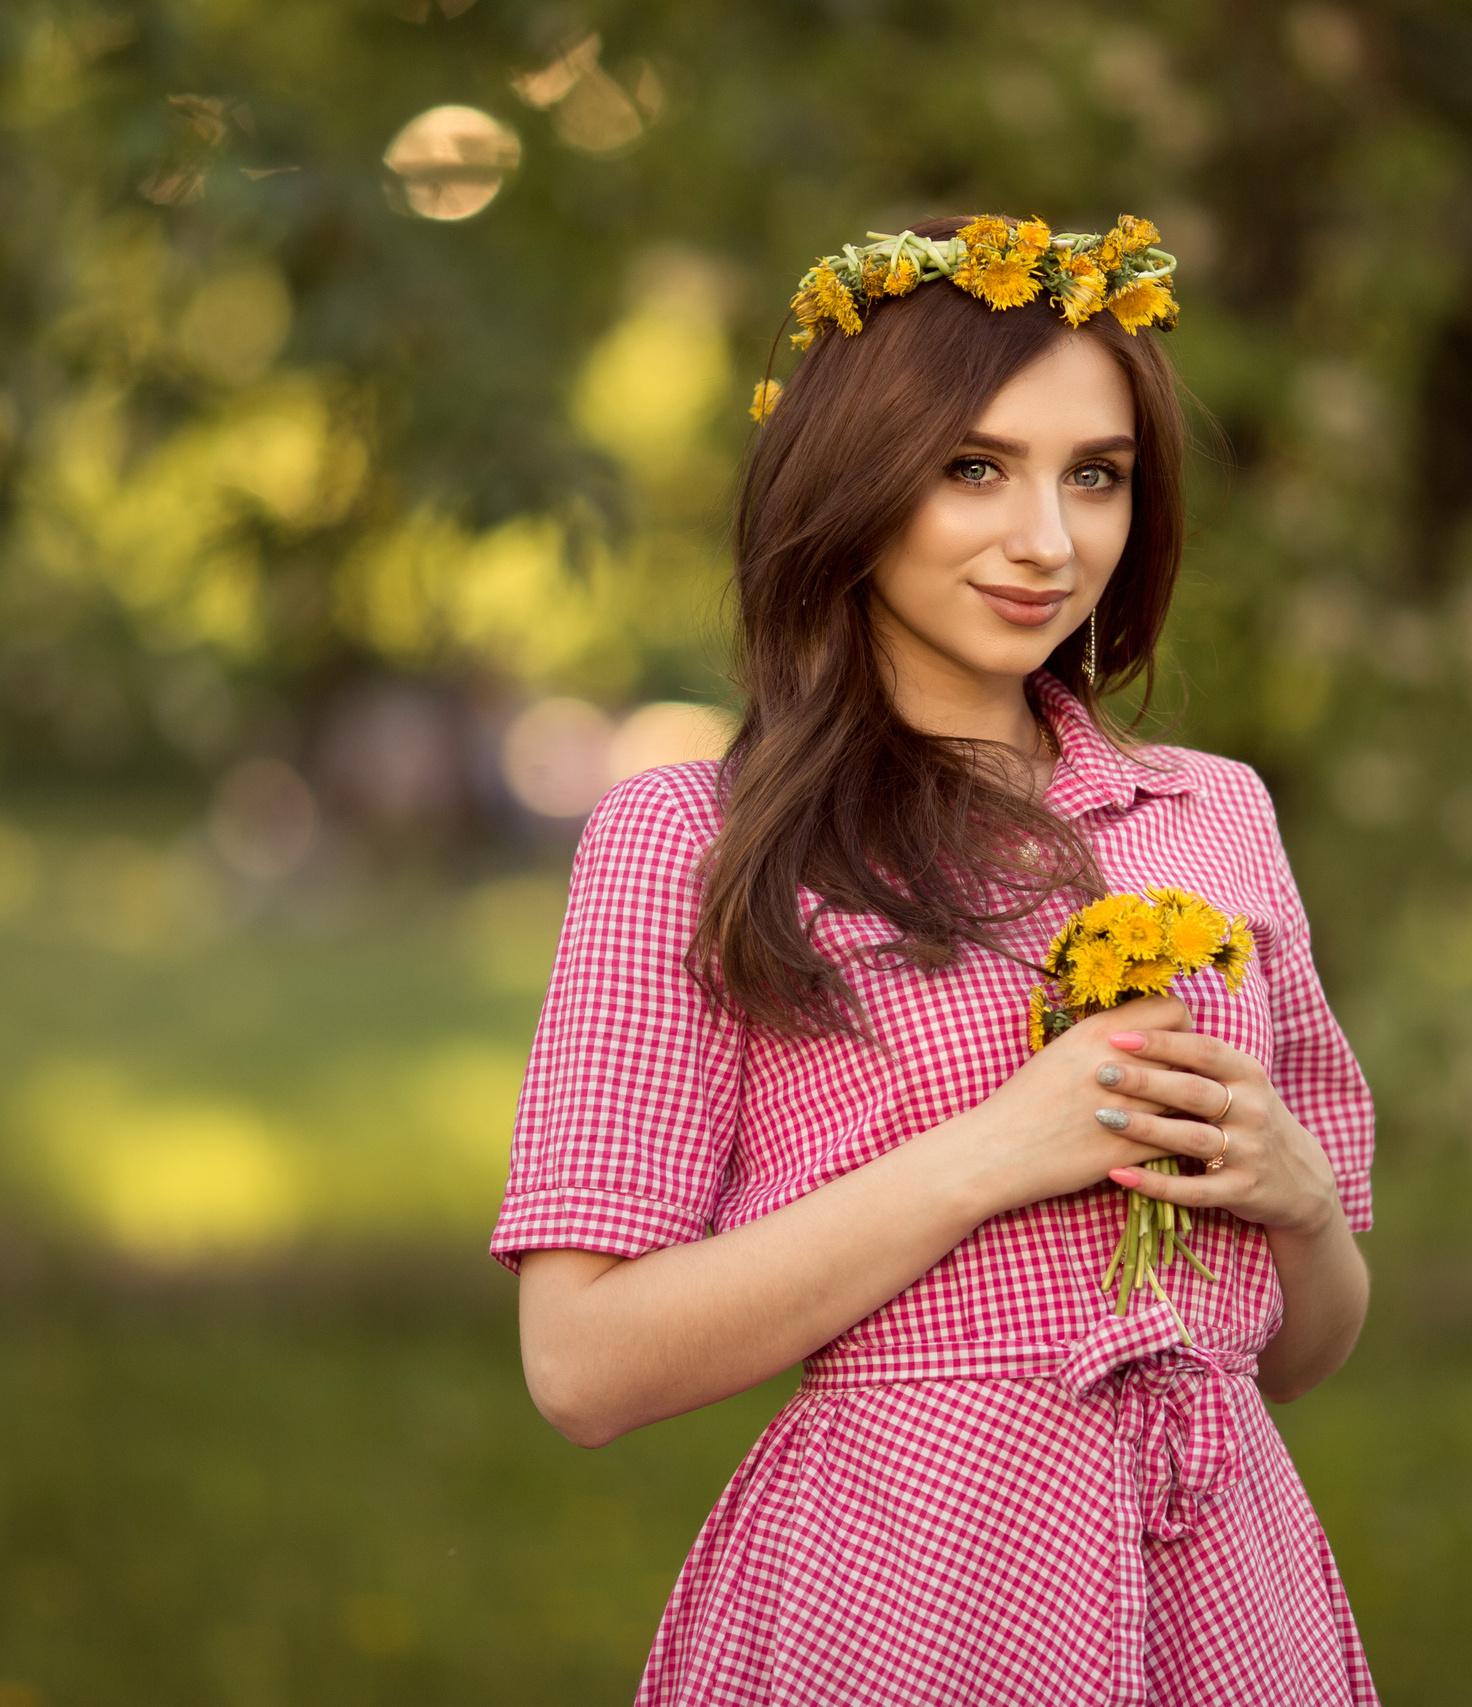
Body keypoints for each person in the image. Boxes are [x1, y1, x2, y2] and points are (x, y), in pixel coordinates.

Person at [492, 214, 1379, 1706]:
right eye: (975, 468)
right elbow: (581, 1368)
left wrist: (1297, 1198)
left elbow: (1299, 1356)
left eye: (1095, 474)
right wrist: (998, 1152)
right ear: (855, 480)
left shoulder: (1214, 814)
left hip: (1229, 1589)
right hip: (908, 1592)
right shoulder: (692, 841)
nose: (1049, 541)